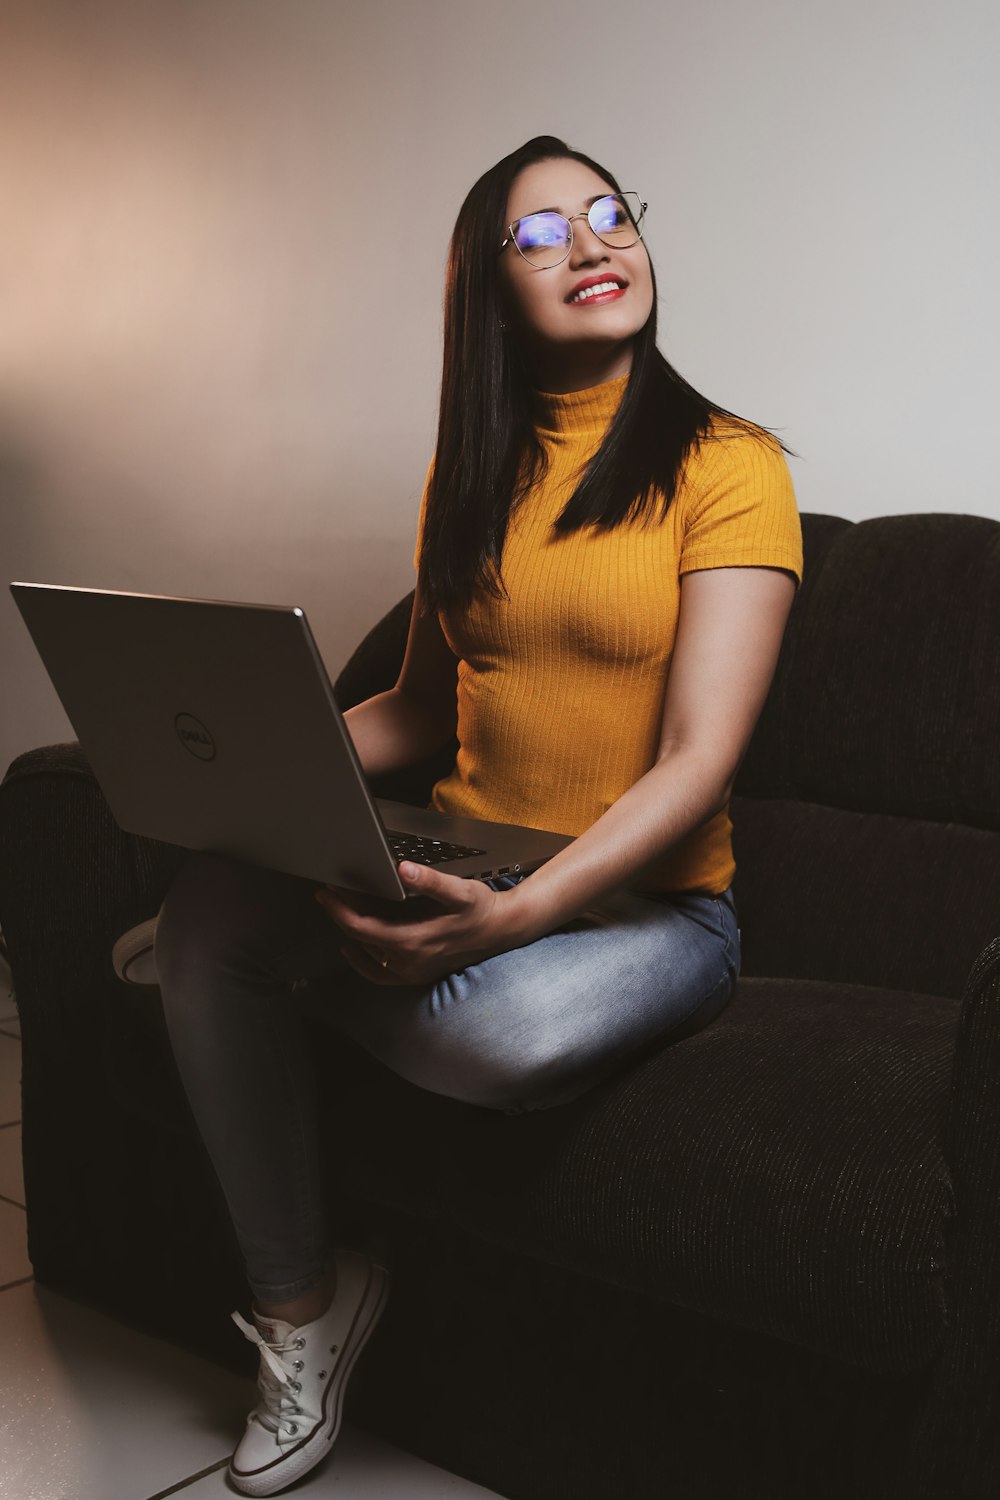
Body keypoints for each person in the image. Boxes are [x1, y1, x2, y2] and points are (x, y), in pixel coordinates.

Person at [155, 133, 803, 1497]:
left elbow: (696, 761)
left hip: (653, 911)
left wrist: (513, 920)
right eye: (540, 233)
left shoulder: (731, 466)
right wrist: (268, 761)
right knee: (210, 904)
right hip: (461, 857)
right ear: (486, 290)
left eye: (609, 214)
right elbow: (417, 709)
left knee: (492, 1038)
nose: (592, 243)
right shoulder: (476, 477)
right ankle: (302, 1303)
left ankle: (236, 999)